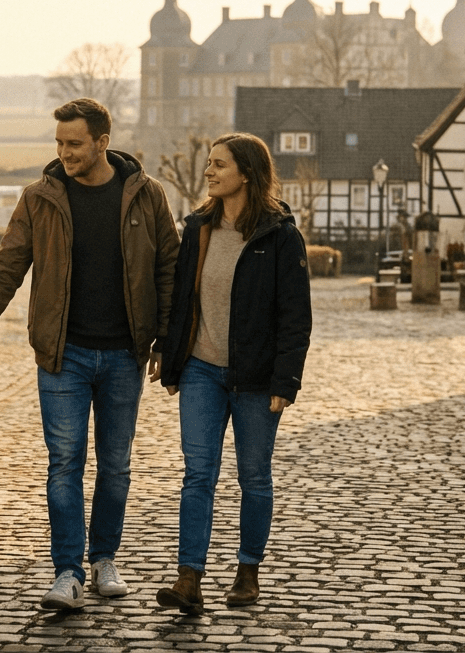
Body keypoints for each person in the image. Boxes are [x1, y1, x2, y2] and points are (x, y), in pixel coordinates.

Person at [0, 97, 179, 610]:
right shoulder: (40, 198)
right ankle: (68, 572)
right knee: (64, 465)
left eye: (75, 143)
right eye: (59, 143)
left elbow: (170, 270)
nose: (65, 152)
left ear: (102, 142)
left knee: (115, 466)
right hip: (63, 355)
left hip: (124, 355)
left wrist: (165, 340)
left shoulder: (146, 196)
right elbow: (6, 268)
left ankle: (104, 560)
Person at [155, 132, 311, 613]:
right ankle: (189, 579)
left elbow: (295, 316)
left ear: (247, 172)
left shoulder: (280, 236)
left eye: (219, 164)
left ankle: (247, 572)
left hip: (257, 379)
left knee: (254, 477)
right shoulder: (198, 227)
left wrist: (286, 383)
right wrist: (171, 354)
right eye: (207, 163)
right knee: (198, 475)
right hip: (202, 371)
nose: (209, 171)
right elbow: (182, 300)